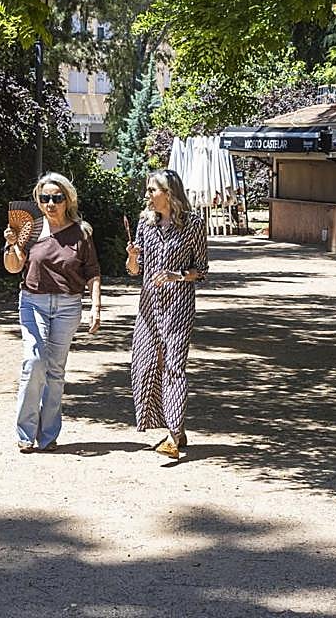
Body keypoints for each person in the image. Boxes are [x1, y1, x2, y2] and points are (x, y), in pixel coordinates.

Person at [2, 172, 102, 453]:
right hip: (33, 302)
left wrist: (95, 306)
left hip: (68, 306)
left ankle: (47, 436)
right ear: (38, 200)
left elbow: (93, 272)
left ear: (67, 200)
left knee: (55, 371)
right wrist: (12, 244)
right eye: (44, 198)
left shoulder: (82, 232)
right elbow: (13, 267)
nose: (50, 203)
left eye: (56, 198)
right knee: (34, 362)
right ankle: (25, 433)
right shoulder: (30, 230)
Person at [125, 169, 208, 459]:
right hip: (149, 306)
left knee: (173, 366)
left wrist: (177, 275)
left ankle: (173, 434)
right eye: (147, 190)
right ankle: (177, 428)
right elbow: (135, 271)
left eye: (152, 190)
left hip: (178, 304)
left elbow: (203, 271)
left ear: (169, 193)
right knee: (145, 363)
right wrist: (133, 256)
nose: (147, 195)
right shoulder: (145, 223)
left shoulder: (193, 224)